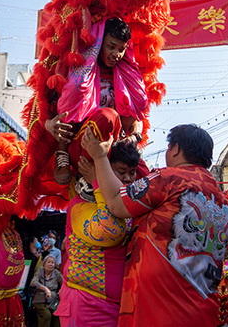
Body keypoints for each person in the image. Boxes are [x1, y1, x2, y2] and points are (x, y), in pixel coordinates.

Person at [82, 123, 228, 327]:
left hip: (159, 310)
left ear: (176, 149)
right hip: (204, 312)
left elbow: (117, 204)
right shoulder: (226, 204)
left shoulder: (168, 178)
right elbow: (225, 257)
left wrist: (99, 157)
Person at [46, 17, 147, 184]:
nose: (116, 54)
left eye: (121, 49)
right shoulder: (75, 69)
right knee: (108, 116)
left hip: (116, 149)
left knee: (146, 182)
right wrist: (48, 124)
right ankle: (65, 157)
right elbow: (49, 109)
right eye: (111, 47)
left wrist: (135, 136)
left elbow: (137, 117)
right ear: (99, 43)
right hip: (81, 145)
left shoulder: (127, 74)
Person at [55, 140, 139, 327]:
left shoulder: (127, 202)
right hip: (87, 303)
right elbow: (110, 230)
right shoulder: (80, 205)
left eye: (131, 173)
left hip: (118, 305)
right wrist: (98, 175)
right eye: (121, 171)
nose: (127, 179)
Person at [30, 255, 62, 327]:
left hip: (53, 301)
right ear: (44, 264)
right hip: (39, 299)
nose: (50, 264)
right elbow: (33, 282)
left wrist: (61, 290)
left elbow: (64, 283)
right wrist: (45, 289)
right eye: (49, 262)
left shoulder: (56, 273)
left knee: (58, 314)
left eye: (53, 262)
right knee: (46, 315)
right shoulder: (39, 271)